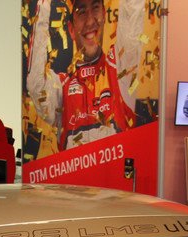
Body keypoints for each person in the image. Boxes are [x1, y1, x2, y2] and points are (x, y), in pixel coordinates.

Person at [26, 0, 144, 150]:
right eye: (81, 12)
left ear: (104, 15)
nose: (90, 21)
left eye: (95, 8)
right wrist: (43, 7)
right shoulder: (62, 88)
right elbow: (35, 84)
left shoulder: (120, 68)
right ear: (71, 29)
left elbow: (133, 11)